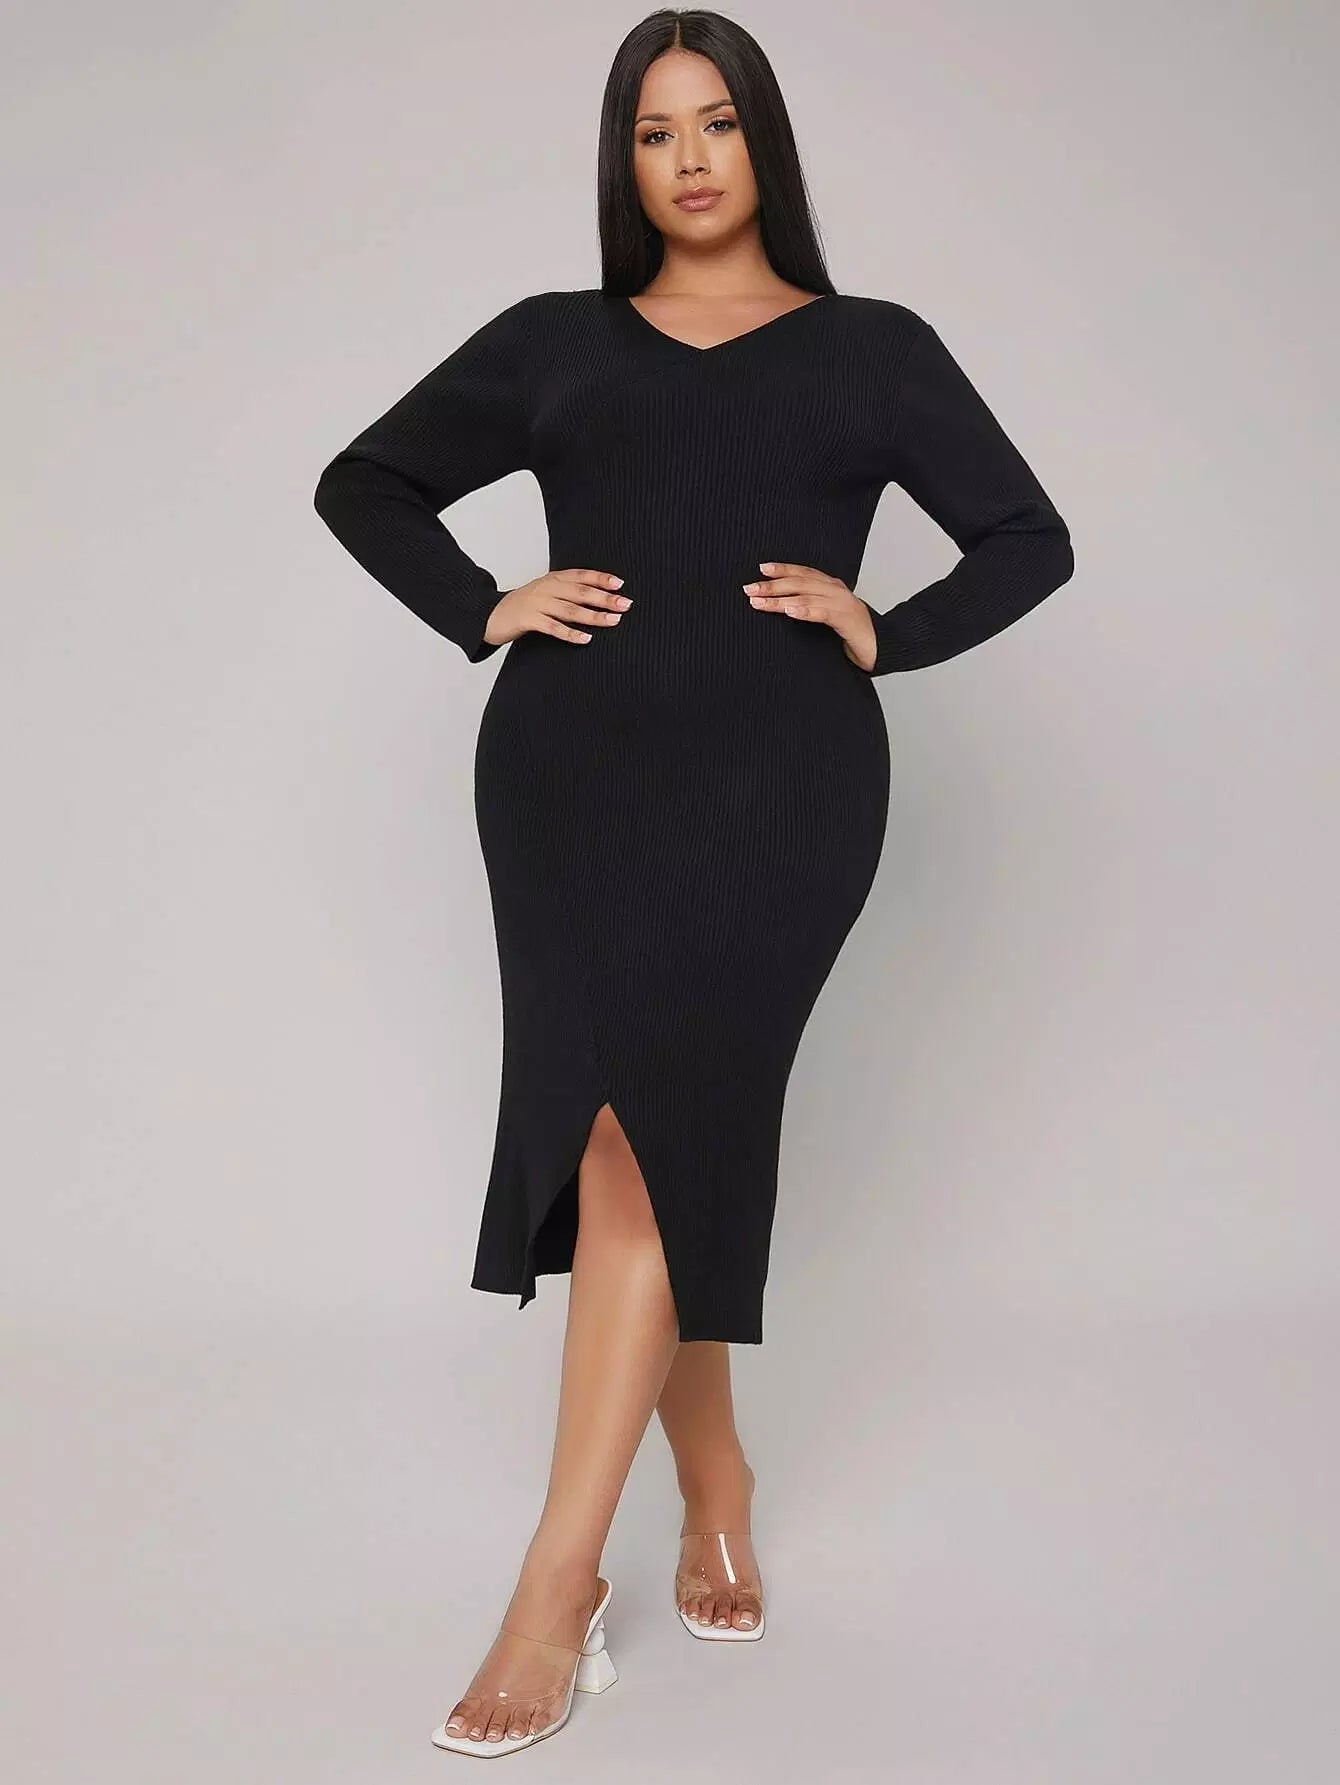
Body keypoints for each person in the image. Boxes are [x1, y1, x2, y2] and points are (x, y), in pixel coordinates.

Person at [312, 6, 1074, 1758]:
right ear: (624, 160)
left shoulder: (873, 348)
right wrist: (483, 604)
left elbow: (1029, 538)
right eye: (654, 132)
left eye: (716, 122)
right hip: (567, 785)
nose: (689, 159)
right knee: (626, 1142)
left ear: (763, 142)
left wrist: (885, 627)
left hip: (781, 798)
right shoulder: (554, 340)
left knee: (666, 1132)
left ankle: (550, 1585)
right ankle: (711, 1473)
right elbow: (367, 482)